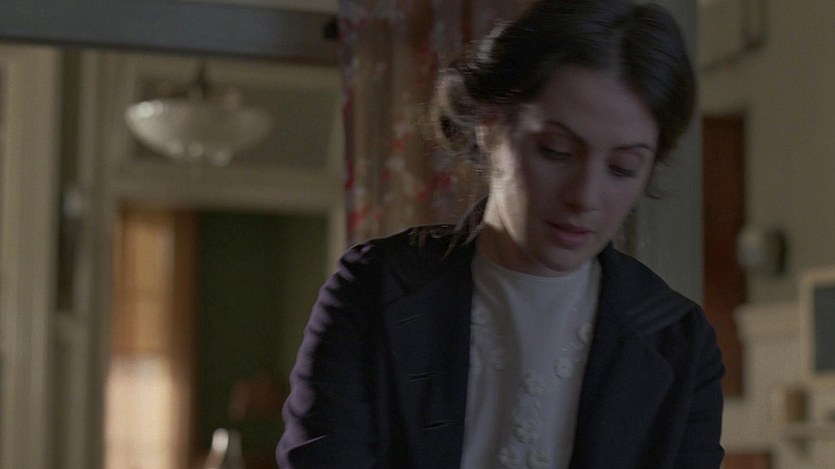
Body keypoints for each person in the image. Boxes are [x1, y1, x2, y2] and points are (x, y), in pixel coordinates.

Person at [278, 0, 724, 467]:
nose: (585, 197)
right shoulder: (372, 290)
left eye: (623, 168)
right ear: (489, 125)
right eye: (556, 151)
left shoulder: (679, 343)